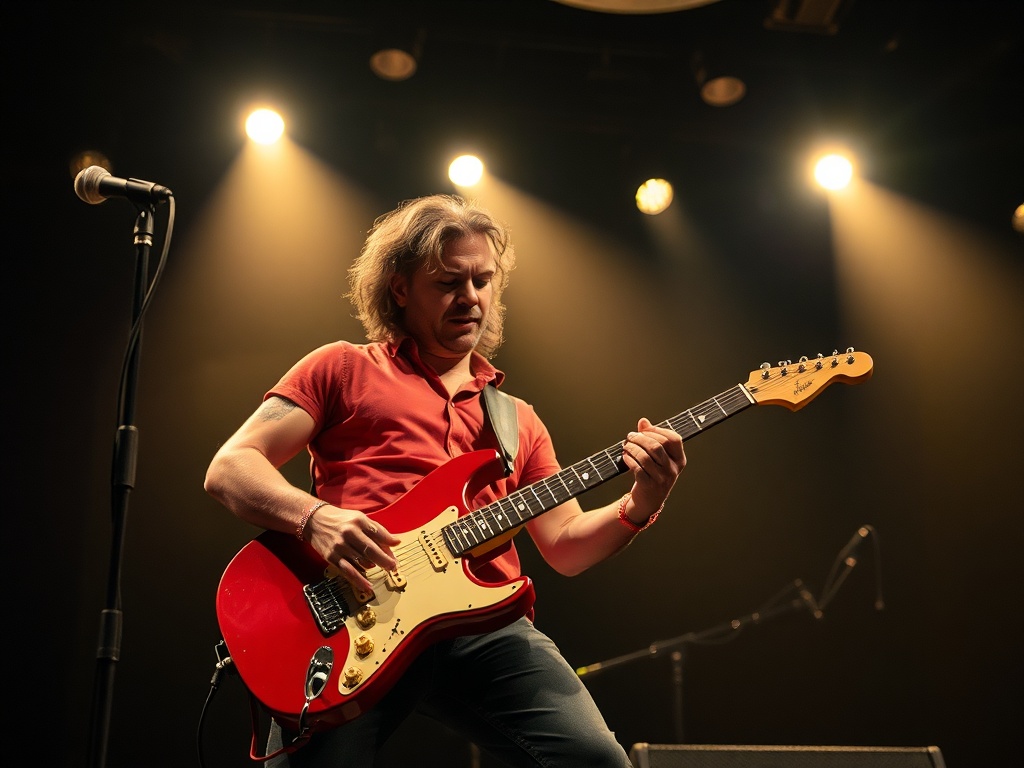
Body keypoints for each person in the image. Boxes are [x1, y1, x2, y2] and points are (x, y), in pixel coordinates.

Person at [204, 193, 686, 767]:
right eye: (449, 282)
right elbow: (230, 466)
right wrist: (315, 518)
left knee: (595, 761)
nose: (471, 298)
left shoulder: (517, 418)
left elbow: (565, 547)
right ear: (400, 287)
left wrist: (639, 503)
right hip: (353, 618)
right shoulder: (343, 367)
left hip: (482, 629)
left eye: (483, 281)